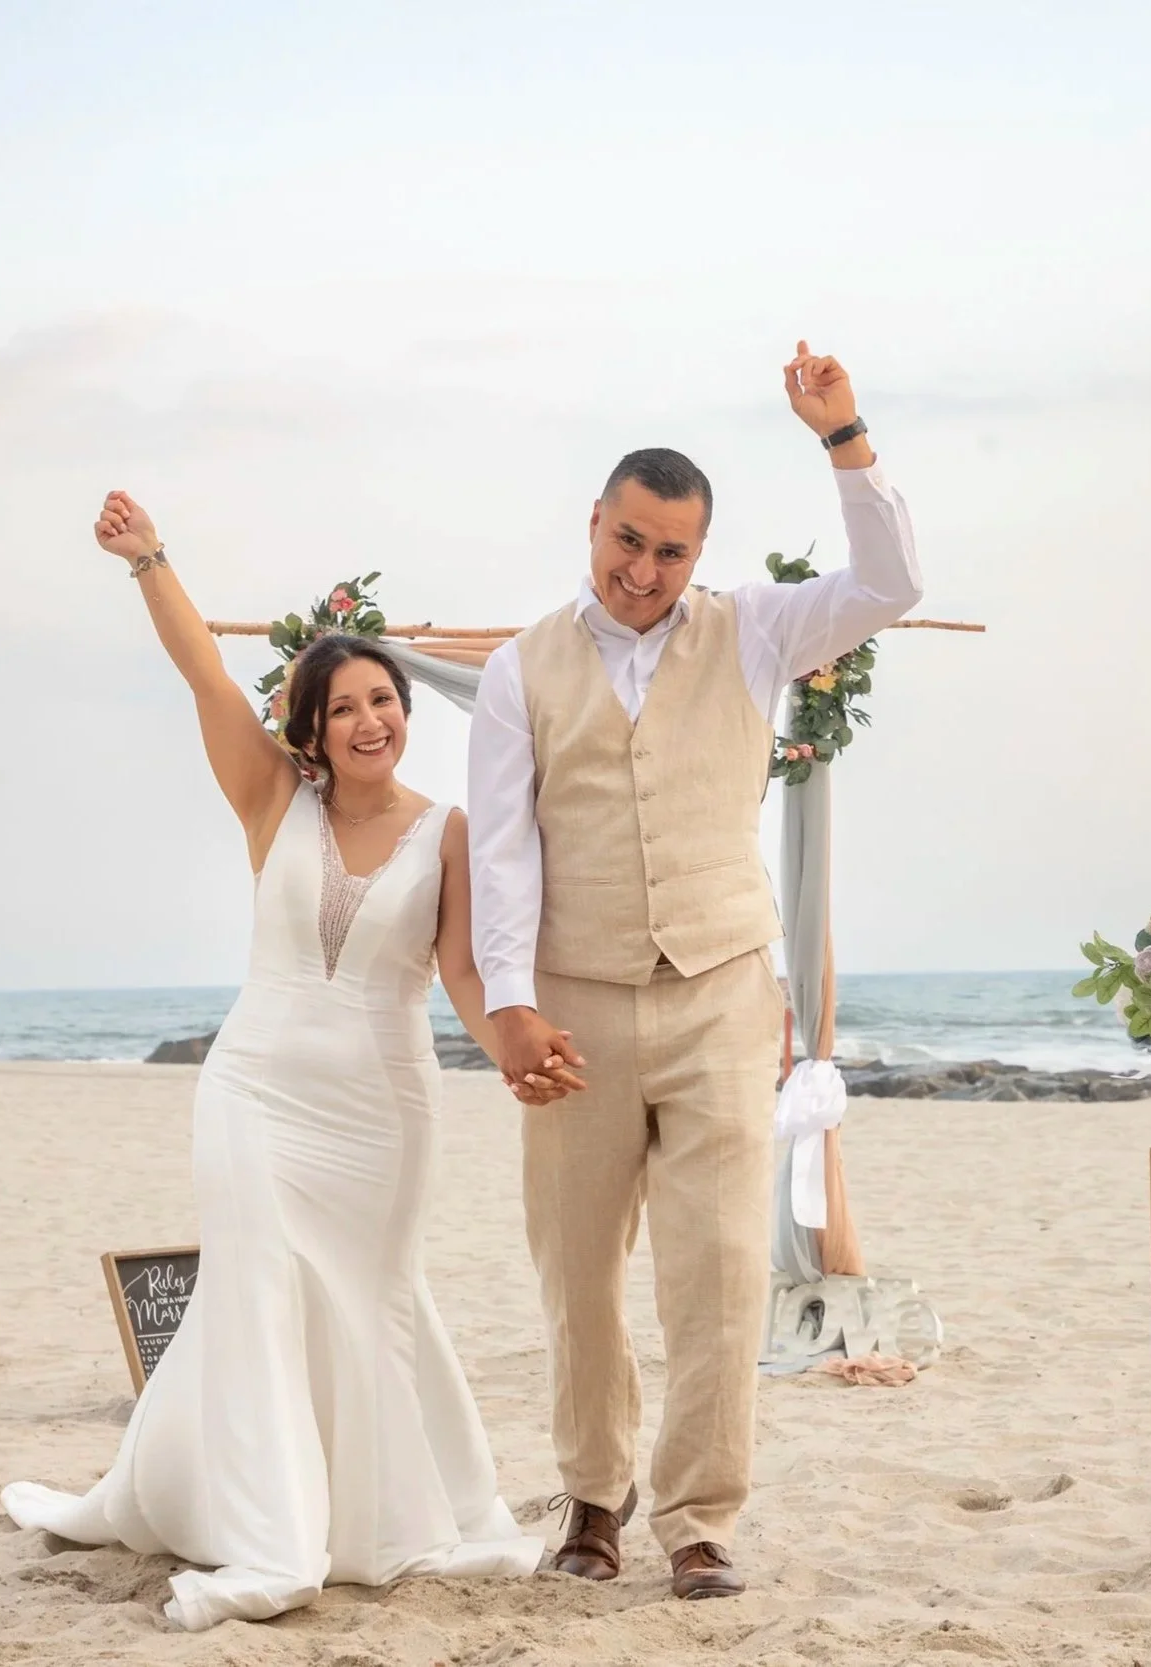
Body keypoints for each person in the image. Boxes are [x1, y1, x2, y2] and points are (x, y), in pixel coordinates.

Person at [1, 492, 566, 1630]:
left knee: (368, 1300)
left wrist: (516, 1040)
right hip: (253, 1091)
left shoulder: (444, 830)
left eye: (382, 701)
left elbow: (459, 972)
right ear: (307, 728)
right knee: (253, 1292)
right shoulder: (271, 796)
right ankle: (274, 1547)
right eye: (343, 706)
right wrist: (151, 558)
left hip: (383, 1109)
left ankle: (362, 1518)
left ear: (405, 712)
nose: (368, 720)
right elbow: (204, 675)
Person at [466, 342, 923, 1599]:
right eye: (627, 539)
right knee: (575, 1271)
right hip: (574, 1005)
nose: (642, 569)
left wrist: (844, 439)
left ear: (697, 554)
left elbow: (892, 579)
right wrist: (508, 1005)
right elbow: (503, 854)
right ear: (595, 522)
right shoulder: (517, 670)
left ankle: (701, 1519)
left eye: (669, 551)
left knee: (719, 1269)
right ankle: (592, 1501)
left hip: (723, 991)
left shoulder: (757, 632)